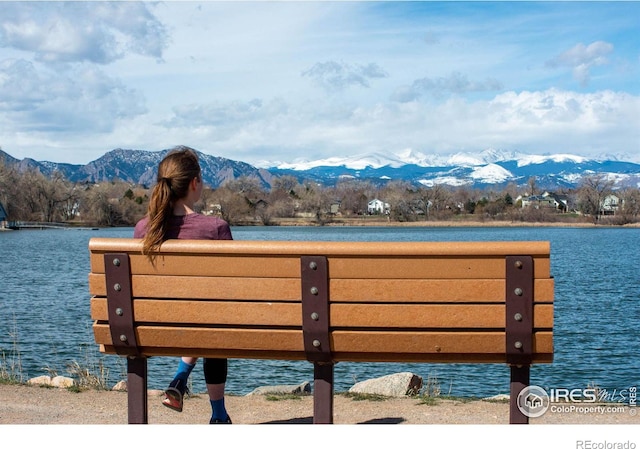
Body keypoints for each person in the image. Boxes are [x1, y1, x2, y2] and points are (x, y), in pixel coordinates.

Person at [133, 146, 232, 424]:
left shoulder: (144, 229)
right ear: (194, 183)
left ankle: (180, 379)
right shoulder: (215, 228)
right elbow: (232, 287)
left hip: (152, 325)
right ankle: (218, 415)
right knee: (212, 319)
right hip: (206, 322)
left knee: (199, 313)